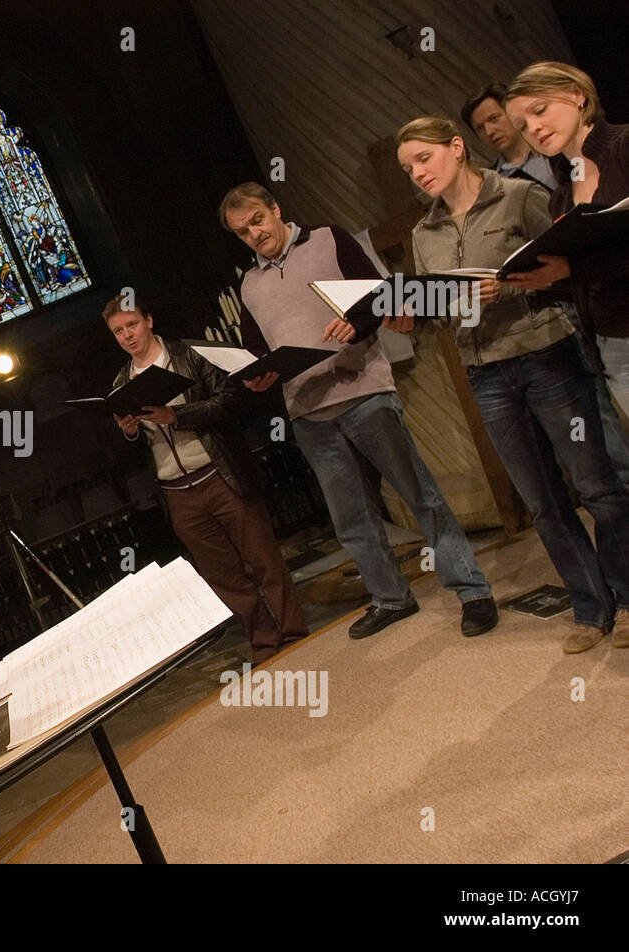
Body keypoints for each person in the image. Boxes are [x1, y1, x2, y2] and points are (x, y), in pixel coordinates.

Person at [219, 183, 497, 640]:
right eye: (242, 232)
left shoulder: (329, 238)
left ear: (275, 209)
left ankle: (471, 590)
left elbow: (380, 299)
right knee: (350, 516)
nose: (253, 234)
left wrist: (356, 323)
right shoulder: (249, 283)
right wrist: (256, 375)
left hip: (363, 390)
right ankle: (390, 597)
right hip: (307, 409)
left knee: (419, 494)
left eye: (256, 221)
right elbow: (255, 348)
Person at [398, 116, 629, 653]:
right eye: (408, 168)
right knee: (543, 502)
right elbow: (439, 303)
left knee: (595, 485)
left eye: (424, 159)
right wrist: (412, 311)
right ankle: (591, 608)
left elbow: (567, 268)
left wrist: (507, 289)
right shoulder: (422, 231)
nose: (418, 173)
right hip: (485, 374)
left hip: (546, 354)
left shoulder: (520, 195)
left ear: (456, 148)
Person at [104, 295, 309, 665]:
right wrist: (129, 430)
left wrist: (176, 415)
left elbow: (230, 401)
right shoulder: (121, 381)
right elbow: (135, 454)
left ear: (148, 320)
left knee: (264, 559)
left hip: (219, 473)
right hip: (176, 490)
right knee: (225, 577)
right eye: (118, 331)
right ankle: (264, 645)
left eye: (131, 325)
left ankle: (294, 634)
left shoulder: (187, 355)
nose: (127, 336)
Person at [504, 62, 629, 421]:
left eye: (539, 110)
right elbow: (584, 281)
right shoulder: (560, 196)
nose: (534, 128)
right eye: (522, 127)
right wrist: (535, 280)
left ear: (577, 94)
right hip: (613, 340)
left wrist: (573, 267)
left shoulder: (624, 146)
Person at [461, 82, 558, 190]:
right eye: (480, 128)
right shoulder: (492, 183)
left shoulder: (554, 146)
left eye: (494, 118)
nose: (489, 131)